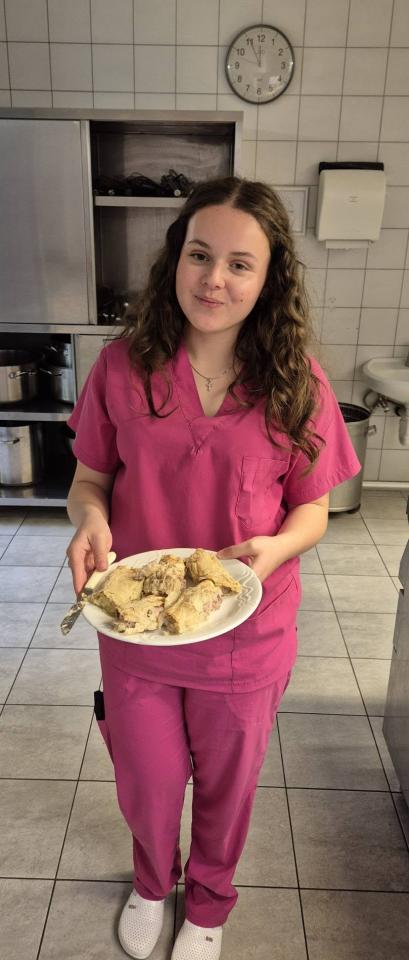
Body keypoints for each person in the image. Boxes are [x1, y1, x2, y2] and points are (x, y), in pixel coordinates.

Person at [66, 176, 361, 960]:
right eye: (199, 256)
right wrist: (90, 518)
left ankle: (207, 904)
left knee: (229, 786)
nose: (213, 280)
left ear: (268, 280)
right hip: (139, 629)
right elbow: (89, 479)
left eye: (239, 264)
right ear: (176, 260)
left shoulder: (295, 381)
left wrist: (276, 549)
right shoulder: (122, 367)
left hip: (246, 631)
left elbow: (311, 509)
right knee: (148, 780)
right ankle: (152, 882)